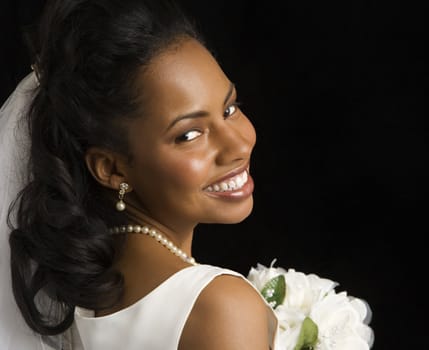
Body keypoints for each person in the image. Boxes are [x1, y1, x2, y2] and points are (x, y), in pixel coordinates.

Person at [0, 0, 278, 349]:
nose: (237, 144)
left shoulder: (93, 295)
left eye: (229, 108)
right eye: (189, 134)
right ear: (111, 168)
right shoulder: (222, 307)